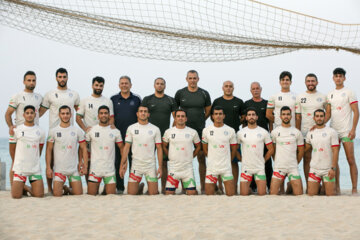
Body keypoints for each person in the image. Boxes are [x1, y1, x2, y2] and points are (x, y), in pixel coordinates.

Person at [39, 68, 80, 192]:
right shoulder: (50, 94)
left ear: (67, 78)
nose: (62, 79)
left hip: (70, 133)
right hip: (54, 132)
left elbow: (80, 113)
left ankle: (71, 186)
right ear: (56, 78)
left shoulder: (74, 94)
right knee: (50, 161)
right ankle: (51, 189)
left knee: (71, 159)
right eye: (60, 77)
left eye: (64, 77)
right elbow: (39, 113)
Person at [174, 70, 211, 193]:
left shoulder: (204, 93)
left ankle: (204, 187)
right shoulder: (180, 93)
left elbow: (208, 111)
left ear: (198, 79)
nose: (192, 80)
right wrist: (180, 123)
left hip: (200, 129)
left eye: (194, 78)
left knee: (201, 158)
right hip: (183, 131)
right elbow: (175, 112)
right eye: (190, 78)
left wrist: (200, 119)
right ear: (186, 79)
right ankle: (185, 187)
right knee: (183, 157)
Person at [5, 71, 43, 186]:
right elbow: (8, 114)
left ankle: (31, 186)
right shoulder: (17, 96)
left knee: (32, 161)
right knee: (15, 162)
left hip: (33, 134)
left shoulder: (39, 97)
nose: (31, 82)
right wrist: (11, 126)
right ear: (24, 81)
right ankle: (14, 187)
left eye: (33, 80)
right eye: (29, 80)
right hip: (19, 134)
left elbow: (40, 112)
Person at [326, 67, 359, 194]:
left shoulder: (349, 92)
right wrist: (320, 124)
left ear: (344, 78)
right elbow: (328, 114)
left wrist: (353, 129)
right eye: (336, 76)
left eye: (340, 76)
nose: (338, 78)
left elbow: (356, 111)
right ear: (333, 78)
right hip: (334, 131)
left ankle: (354, 188)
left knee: (350, 159)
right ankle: (337, 188)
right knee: (334, 161)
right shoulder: (330, 94)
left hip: (346, 131)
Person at [142, 77, 177, 193]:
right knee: (150, 162)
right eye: (157, 84)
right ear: (154, 85)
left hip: (164, 137)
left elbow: (176, 117)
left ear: (165, 86)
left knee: (164, 163)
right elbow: (142, 115)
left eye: (162, 84)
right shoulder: (147, 99)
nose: (160, 85)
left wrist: (171, 131)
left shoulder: (170, 100)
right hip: (149, 136)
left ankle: (163, 187)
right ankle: (151, 187)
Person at [76, 76, 114, 182]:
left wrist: (110, 128)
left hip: (104, 137)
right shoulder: (85, 101)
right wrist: (85, 129)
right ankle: (90, 184)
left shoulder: (107, 101)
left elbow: (111, 118)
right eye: (96, 85)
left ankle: (105, 184)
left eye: (101, 86)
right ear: (92, 85)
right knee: (88, 160)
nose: (98, 87)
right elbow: (78, 118)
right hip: (90, 137)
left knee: (104, 160)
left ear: (103, 87)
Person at [119, 106, 163, 195]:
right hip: (136, 165)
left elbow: (159, 148)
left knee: (154, 194)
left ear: (148, 114)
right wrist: (122, 164)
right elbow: (126, 147)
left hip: (150, 165)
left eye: (145, 111)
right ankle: (140, 187)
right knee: (131, 193)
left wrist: (160, 167)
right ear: (137, 114)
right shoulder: (131, 128)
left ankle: (148, 187)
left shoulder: (155, 129)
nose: (143, 113)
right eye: (141, 111)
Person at [46, 105, 88, 196]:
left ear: (71, 115)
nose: (65, 115)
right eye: (63, 113)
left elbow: (83, 148)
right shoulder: (53, 131)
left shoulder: (77, 131)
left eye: (67, 113)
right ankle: (63, 187)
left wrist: (85, 165)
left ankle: (67, 188)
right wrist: (48, 167)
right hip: (59, 170)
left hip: (73, 170)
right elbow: (48, 150)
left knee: (78, 194)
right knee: (57, 195)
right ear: (59, 115)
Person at [295, 73, 327, 191]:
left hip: (320, 132)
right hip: (304, 133)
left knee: (322, 157)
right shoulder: (300, 97)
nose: (310, 83)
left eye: (313, 81)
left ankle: (324, 185)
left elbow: (327, 113)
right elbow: (298, 117)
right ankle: (310, 185)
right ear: (305, 83)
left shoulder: (323, 96)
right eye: (308, 81)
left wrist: (321, 125)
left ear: (317, 82)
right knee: (307, 158)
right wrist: (298, 134)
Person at [212, 80, 243, 194]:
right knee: (219, 162)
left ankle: (234, 186)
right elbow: (213, 117)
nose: (228, 88)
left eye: (230, 86)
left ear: (233, 88)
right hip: (218, 137)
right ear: (222, 88)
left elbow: (243, 118)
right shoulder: (217, 101)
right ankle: (220, 186)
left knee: (234, 162)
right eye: (226, 86)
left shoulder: (239, 102)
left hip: (233, 136)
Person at [111, 75, 141, 193]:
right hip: (118, 137)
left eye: (126, 83)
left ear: (130, 85)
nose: (124, 85)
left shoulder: (137, 99)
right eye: (122, 83)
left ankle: (133, 187)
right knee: (118, 162)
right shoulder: (113, 99)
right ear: (119, 85)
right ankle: (120, 188)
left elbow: (141, 115)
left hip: (134, 138)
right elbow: (110, 116)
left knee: (134, 162)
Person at [86, 105, 124, 195]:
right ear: (98, 116)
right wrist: (83, 163)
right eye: (101, 113)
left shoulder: (115, 131)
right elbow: (84, 148)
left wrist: (123, 164)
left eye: (106, 113)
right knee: (91, 195)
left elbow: (122, 148)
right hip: (95, 170)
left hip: (109, 170)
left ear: (109, 115)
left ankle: (105, 189)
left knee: (111, 195)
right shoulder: (91, 130)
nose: (103, 115)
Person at [10, 105, 46, 199]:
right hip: (20, 168)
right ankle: (23, 186)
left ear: (35, 115)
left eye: (31, 113)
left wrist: (35, 159)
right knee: (16, 196)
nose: (29, 115)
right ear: (23, 115)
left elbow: (40, 149)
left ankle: (27, 187)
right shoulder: (17, 130)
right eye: (27, 113)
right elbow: (12, 148)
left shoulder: (41, 131)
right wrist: (15, 162)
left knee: (39, 195)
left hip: (34, 168)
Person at [162, 109, 201, 195]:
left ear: (186, 118)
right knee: (169, 193)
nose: (180, 118)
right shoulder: (168, 132)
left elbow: (198, 146)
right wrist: (169, 155)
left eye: (183, 116)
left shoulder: (192, 132)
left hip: (187, 169)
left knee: (192, 193)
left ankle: (193, 189)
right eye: (178, 116)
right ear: (175, 119)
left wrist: (192, 156)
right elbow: (164, 145)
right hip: (173, 168)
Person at [243, 81, 272, 192]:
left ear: (261, 89)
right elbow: (244, 121)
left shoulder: (266, 103)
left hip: (264, 137)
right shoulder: (246, 103)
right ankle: (253, 187)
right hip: (250, 138)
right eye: (253, 88)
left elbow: (269, 120)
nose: (255, 90)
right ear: (250, 90)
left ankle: (269, 186)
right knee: (252, 162)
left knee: (267, 163)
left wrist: (271, 131)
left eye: (257, 88)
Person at [237, 107, 274, 196]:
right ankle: (249, 188)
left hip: (259, 168)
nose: (251, 117)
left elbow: (271, 149)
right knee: (244, 194)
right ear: (246, 118)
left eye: (253, 115)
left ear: (257, 117)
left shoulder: (264, 132)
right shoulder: (240, 133)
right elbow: (235, 149)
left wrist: (263, 160)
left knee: (262, 193)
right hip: (246, 168)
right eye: (249, 115)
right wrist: (241, 160)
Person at [202, 106, 237, 196]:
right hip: (212, 168)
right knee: (209, 195)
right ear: (212, 116)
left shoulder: (230, 130)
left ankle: (220, 187)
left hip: (226, 168)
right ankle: (217, 188)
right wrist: (211, 159)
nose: (218, 116)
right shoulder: (206, 130)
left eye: (220, 114)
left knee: (231, 195)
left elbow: (234, 149)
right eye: (216, 114)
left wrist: (229, 161)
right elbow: (205, 149)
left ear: (224, 116)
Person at [270, 106, 304, 196]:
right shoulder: (275, 132)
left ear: (291, 116)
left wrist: (296, 162)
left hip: (293, 167)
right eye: (284, 114)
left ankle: (290, 184)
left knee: (299, 194)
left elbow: (301, 151)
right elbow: (273, 150)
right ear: (280, 116)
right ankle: (288, 183)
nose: (286, 116)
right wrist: (276, 161)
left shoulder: (297, 132)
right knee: (273, 193)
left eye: (288, 114)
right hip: (279, 167)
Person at [305, 109, 339, 196]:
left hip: (328, 169)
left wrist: (333, 168)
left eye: (321, 116)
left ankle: (324, 185)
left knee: (331, 195)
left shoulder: (331, 132)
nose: (319, 118)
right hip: (314, 169)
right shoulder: (310, 132)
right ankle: (320, 186)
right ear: (314, 118)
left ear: (324, 117)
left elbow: (335, 151)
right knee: (311, 194)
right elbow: (306, 149)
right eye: (317, 116)